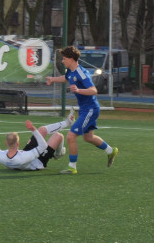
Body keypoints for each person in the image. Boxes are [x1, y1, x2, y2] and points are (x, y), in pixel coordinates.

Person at [45, 45, 119, 174]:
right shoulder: (70, 71)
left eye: (64, 59)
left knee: (71, 136)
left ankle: (72, 167)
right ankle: (110, 151)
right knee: (88, 137)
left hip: (91, 109)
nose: (62, 61)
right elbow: (66, 78)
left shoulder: (82, 73)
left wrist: (79, 90)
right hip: (86, 109)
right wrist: (53, 79)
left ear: (71, 59)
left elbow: (93, 90)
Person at [0, 110, 74, 171]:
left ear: (6, 143)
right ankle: (58, 154)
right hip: (38, 161)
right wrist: (33, 130)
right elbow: (43, 146)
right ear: (18, 144)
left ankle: (67, 122)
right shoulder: (24, 157)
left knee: (42, 130)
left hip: (26, 154)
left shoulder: (1, 156)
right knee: (58, 136)